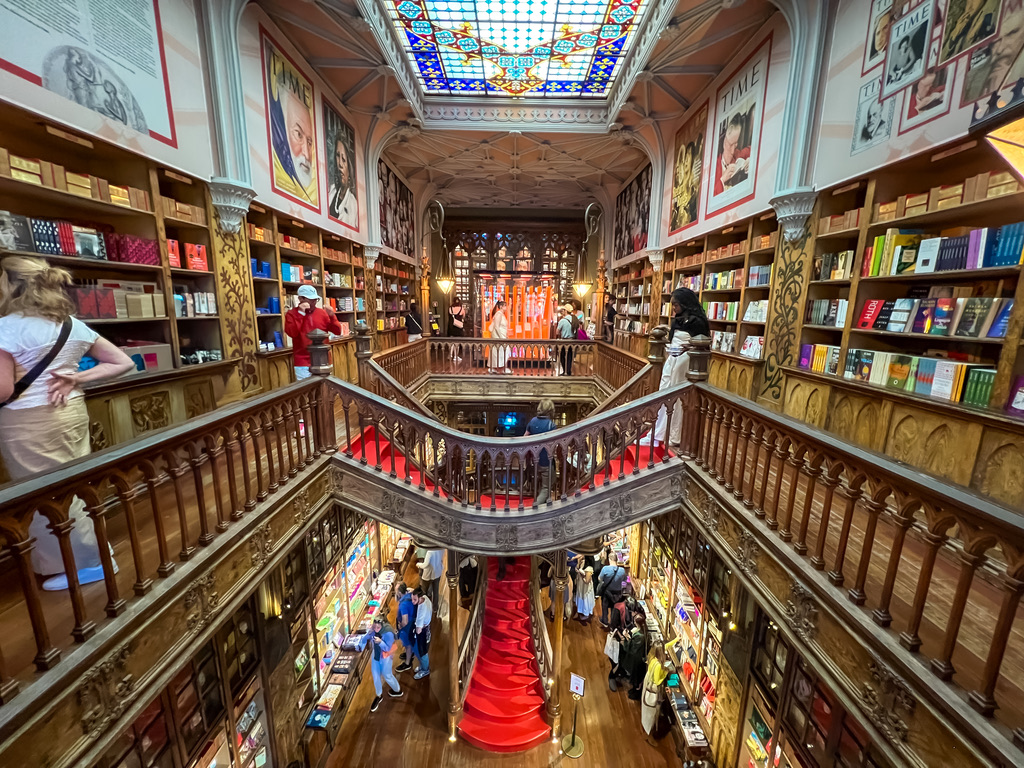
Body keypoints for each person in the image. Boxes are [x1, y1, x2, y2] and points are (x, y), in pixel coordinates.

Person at [0, 255, 135, 591]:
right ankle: (94, 554)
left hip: (29, 422)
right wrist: (77, 378)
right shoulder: (71, 324)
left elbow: (3, 389)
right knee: (74, 488)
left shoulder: (6, 327)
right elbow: (122, 361)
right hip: (71, 413)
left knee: (43, 495)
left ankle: (85, 565)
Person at [643, 287, 710, 448]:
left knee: (676, 398)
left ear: (685, 303)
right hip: (672, 358)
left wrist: (686, 347)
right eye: (673, 304)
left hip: (685, 361)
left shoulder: (698, 321)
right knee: (663, 393)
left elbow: (704, 343)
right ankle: (657, 433)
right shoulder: (678, 319)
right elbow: (674, 338)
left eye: (676, 304)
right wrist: (666, 330)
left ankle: (672, 435)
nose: (674, 308)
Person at [284, 284, 341, 379]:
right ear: (300, 299)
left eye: (315, 299)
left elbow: (338, 331)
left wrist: (332, 316)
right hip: (302, 361)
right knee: (306, 391)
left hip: (324, 359)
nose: (314, 302)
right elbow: (292, 333)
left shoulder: (322, 313)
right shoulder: (292, 314)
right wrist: (301, 313)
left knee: (326, 389)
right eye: (310, 299)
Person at [355, 616, 404, 711]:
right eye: (374, 627)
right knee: (376, 675)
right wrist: (360, 644)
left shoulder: (388, 633)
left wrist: (380, 642)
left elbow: (387, 648)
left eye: (378, 627)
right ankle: (378, 695)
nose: (376, 629)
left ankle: (397, 690)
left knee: (387, 675)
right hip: (376, 656)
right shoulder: (373, 630)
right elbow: (366, 638)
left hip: (385, 657)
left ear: (382, 625)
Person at [641, 638, 680, 742]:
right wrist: (666, 671)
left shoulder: (652, 657)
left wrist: (676, 639)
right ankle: (653, 731)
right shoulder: (658, 665)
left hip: (648, 682)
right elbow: (658, 681)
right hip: (654, 689)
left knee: (648, 709)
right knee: (654, 710)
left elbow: (666, 646)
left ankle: (648, 726)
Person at [525, 399, 558, 504]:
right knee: (546, 488)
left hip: (535, 460)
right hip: (546, 460)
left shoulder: (533, 421)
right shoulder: (551, 425)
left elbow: (525, 438)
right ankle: (535, 507)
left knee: (547, 484)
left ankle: (544, 508)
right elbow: (554, 445)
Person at [714, 115, 750, 195]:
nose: (733, 151)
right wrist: (722, 180)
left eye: (735, 144)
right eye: (730, 145)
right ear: (724, 141)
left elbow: (751, 149)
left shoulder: (737, 154)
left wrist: (750, 160)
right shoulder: (714, 166)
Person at [327, 135, 357, 227]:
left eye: (343, 160)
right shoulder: (331, 192)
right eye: (337, 156)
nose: (339, 164)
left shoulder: (353, 204)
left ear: (350, 166)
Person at [622, 614, 650, 700]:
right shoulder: (642, 631)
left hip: (637, 659)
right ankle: (634, 689)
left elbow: (633, 648)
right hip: (637, 657)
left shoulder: (640, 636)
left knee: (636, 677)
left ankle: (636, 692)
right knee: (635, 676)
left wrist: (626, 637)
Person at [597, 552, 627, 627]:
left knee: (605, 606)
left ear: (610, 559)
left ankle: (605, 621)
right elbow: (625, 581)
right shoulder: (622, 570)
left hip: (607, 592)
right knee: (615, 607)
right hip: (617, 593)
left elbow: (600, 579)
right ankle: (613, 623)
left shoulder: (605, 569)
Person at [394, 582, 417, 673]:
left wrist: (400, 626)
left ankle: (407, 663)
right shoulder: (409, 594)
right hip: (413, 623)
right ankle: (410, 654)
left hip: (407, 627)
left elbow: (405, 621)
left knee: (408, 645)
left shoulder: (403, 605)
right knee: (410, 642)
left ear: (399, 593)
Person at [411, 587, 432, 680]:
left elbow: (418, 630)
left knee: (422, 651)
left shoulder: (421, 611)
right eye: (412, 599)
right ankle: (423, 666)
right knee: (422, 650)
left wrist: (414, 629)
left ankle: (425, 669)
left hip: (422, 631)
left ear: (419, 598)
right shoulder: (425, 598)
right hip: (427, 626)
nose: (413, 601)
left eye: (415, 599)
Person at [488, 299, 510, 373]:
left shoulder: (501, 314)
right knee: (500, 351)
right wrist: (501, 337)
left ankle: (500, 367)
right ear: (501, 307)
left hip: (501, 335)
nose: (506, 307)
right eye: (505, 306)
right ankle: (499, 368)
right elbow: (497, 326)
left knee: (502, 352)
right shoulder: (499, 314)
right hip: (498, 336)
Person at [574, 559, 596, 625]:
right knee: (580, 597)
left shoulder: (589, 568)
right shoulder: (581, 562)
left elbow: (587, 581)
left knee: (585, 599)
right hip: (580, 586)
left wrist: (581, 574)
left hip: (585, 588)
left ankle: (585, 614)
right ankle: (580, 611)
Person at [556, 305, 574, 375]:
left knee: (562, 355)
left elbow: (557, 332)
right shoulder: (574, 319)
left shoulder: (562, 320)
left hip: (564, 340)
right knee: (570, 356)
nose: (562, 311)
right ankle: (569, 371)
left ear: (566, 311)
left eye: (563, 310)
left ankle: (565, 371)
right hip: (573, 340)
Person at [448, 297, 465, 362]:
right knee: (457, 342)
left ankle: (450, 354)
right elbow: (463, 316)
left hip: (451, 327)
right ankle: (455, 356)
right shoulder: (461, 309)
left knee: (452, 341)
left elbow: (449, 317)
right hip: (458, 327)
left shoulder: (450, 308)